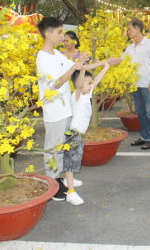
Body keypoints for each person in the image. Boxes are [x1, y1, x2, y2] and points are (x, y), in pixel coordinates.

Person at [36, 17, 105, 201]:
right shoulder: (42, 57)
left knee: (64, 147)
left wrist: (104, 63)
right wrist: (75, 64)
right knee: (54, 148)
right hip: (55, 112)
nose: (62, 36)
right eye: (59, 32)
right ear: (48, 34)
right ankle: (53, 182)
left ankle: (61, 179)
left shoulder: (57, 55)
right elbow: (56, 83)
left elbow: (77, 68)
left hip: (66, 110)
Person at [62, 59, 116, 205]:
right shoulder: (77, 95)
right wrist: (81, 70)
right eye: (88, 83)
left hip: (79, 135)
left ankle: (69, 181)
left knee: (74, 162)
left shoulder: (87, 94)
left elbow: (97, 80)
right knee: (70, 164)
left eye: (90, 83)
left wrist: (106, 66)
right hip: (73, 135)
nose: (90, 85)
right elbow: (80, 85)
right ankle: (71, 192)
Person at [124, 19, 150, 150]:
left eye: (129, 29)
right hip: (135, 85)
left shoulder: (149, 44)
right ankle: (144, 137)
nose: (127, 32)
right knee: (140, 112)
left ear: (137, 29)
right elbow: (121, 61)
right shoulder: (129, 47)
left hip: (147, 84)